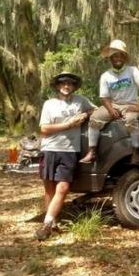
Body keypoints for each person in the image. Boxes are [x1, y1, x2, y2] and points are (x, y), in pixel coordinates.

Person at [36, 72, 94, 240]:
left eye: (70, 83)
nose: (66, 86)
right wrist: (68, 124)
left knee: (63, 188)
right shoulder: (49, 104)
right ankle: (52, 222)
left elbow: (95, 110)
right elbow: (44, 129)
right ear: (57, 86)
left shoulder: (81, 101)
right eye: (63, 84)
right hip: (50, 148)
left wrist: (86, 114)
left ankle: (46, 224)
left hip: (70, 150)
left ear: (74, 86)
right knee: (49, 189)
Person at [80, 39, 139, 165]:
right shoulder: (106, 75)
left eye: (120, 55)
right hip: (114, 104)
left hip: (130, 104)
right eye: (114, 56)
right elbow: (103, 97)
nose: (117, 58)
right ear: (110, 58)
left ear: (124, 57)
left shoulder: (132, 70)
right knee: (95, 117)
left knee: (132, 120)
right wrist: (110, 109)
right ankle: (92, 151)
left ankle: (135, 151)